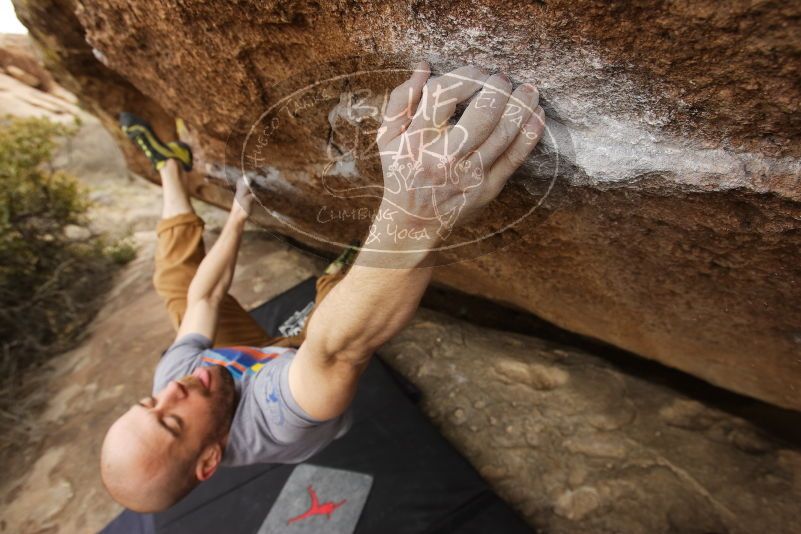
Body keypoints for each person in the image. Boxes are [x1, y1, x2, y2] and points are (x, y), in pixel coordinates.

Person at [100, 62, 545, 513]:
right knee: (329, 315)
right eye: (173, 423)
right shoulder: (275, 422)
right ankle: (345, 270)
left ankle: (170, 171)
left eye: (149, 402)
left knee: (176, 282)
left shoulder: (177, 383)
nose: (170, 392)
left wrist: (236, 219)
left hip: (245, 361)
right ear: (211, 458)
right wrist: (413, 213)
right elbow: (336, 350)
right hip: (291, 363)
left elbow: (205, 297)